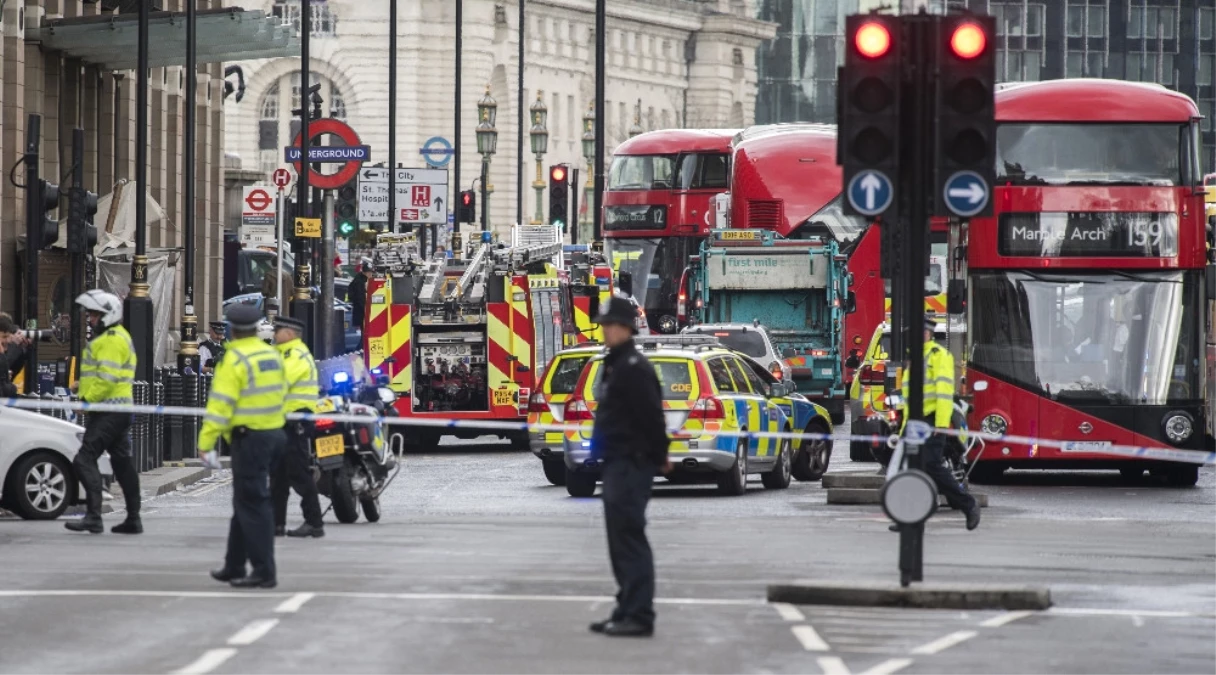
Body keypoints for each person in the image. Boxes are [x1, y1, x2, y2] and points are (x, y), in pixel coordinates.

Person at [588, 295, 671, 638]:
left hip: (631, 461)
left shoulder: (635, 368)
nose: (604, 332)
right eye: (604, 326)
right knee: (618, 539)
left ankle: (639, 614)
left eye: (609, 326)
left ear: (624, 328)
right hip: (616, 461)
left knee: (629, 537)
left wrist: (660, 454)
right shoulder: (615, 363)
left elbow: (651, 416)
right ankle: (625, 607)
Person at [201, 304, 288, 589]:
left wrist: (205, 443)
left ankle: (264, 570)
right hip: (275, 435)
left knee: (253, 503)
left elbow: (219, 405)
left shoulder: (234, 358)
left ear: (233, 329)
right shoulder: (271, 355)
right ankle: (234, 564)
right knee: (245, 501)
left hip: (250, 438)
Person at [64, 290, 143, 535]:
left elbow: (106, 379)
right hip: (117, 409)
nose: (90, 319)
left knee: (84, 459)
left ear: (108, 315)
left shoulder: (110, 339)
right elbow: (102, 376)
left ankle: (94, 516)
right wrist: (81, 386)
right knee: (122, 464)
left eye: (95, 315)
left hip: (109, 410)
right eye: (90, 314)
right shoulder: (116, 336)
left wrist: (86, 399)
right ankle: (133, 519)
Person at [897, 315, 980, 531]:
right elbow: (910, 397)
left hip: (932, 419)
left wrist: (941, 424)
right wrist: (904, 426)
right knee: (910, 468)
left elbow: (944, 393)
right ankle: (911, 517)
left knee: (931, 466)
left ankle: (968, 504)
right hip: (915, 422)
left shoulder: (938, 356)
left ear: (926, 333)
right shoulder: (913, 357)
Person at [270, 315, 324, 539]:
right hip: (283, 421)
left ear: (289, 333)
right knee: (278, 476)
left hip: (297, 421)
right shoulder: (282, 353)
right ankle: (276, 524)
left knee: (299, 473)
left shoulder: (296, 354)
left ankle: (314, 522)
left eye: (278, 330)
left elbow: (280, 379)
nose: (274, 334)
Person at [345, 259, 371, 331]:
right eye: (369, 273)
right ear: (364, 272)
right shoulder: (360, 281)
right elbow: (361, 297)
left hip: (359, 310)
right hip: (361, 311)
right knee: (364, 331)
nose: (371, 275)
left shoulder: (359, 278)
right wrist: (367, 309)